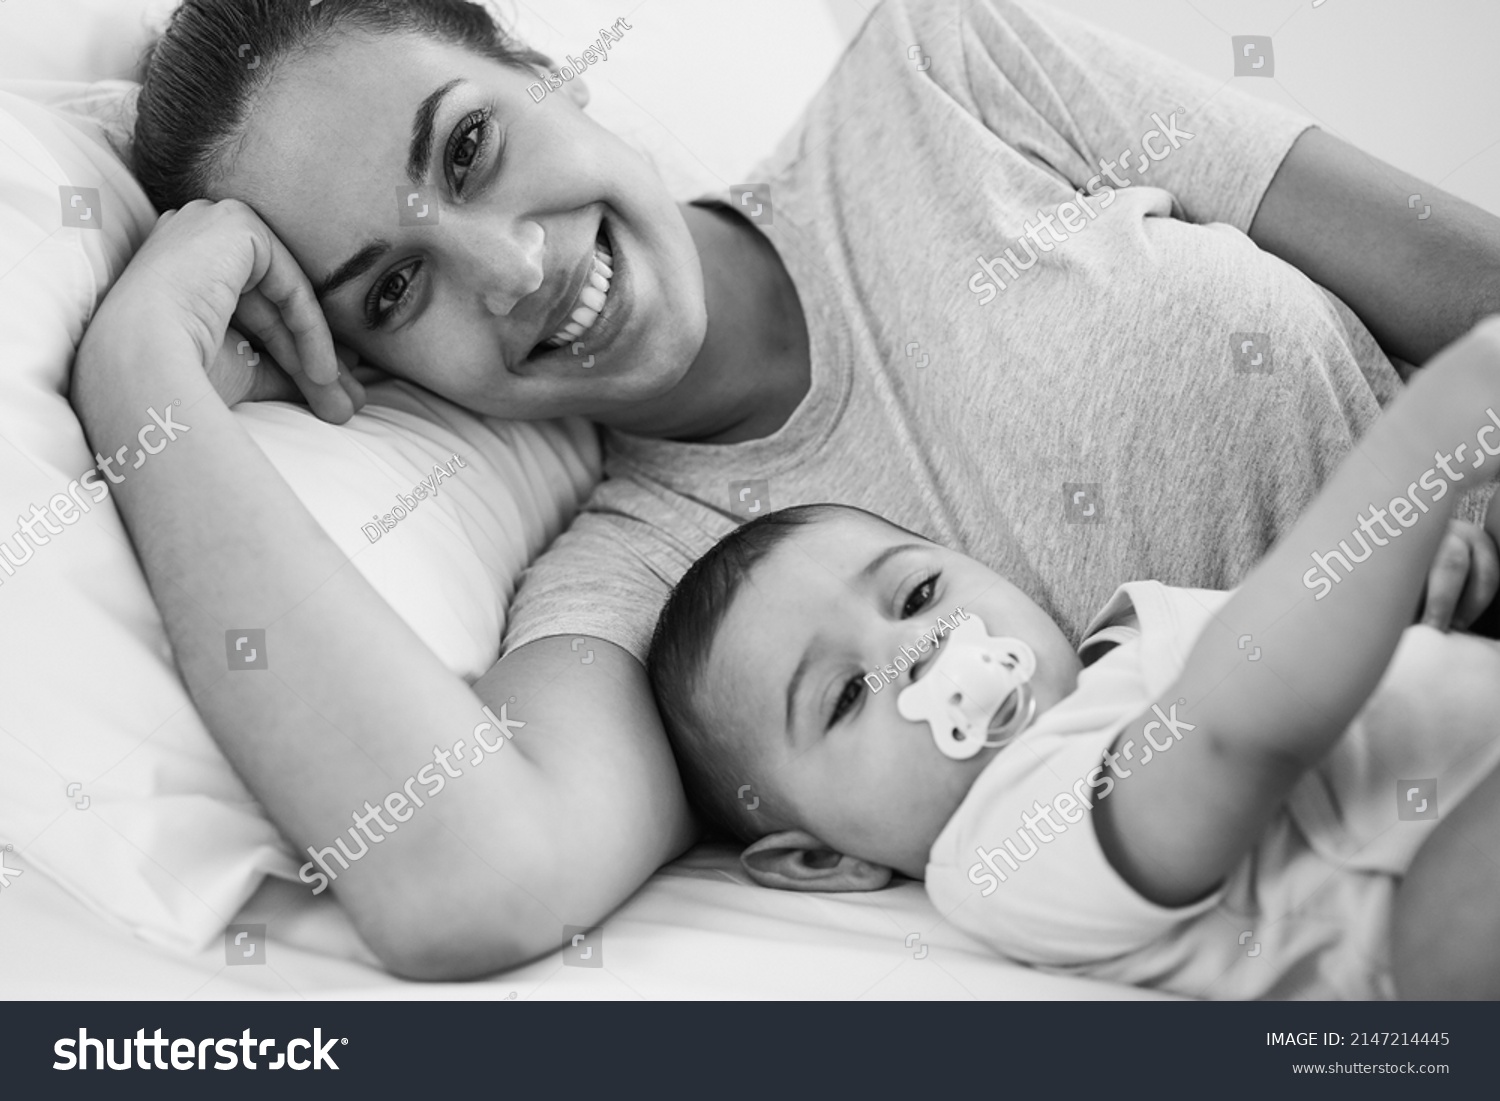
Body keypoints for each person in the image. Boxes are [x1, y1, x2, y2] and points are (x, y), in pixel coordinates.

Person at [71, 0, 1500, 980]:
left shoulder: (948, 71)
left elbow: (1478, 289)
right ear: (364, 360)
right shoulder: (634, 588)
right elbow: (472, 883)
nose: (514, 270)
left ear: (546, 72)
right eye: (392, 286)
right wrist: (145, 381)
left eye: (469, 148)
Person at [644, 318, 1500, 999]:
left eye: (917, 596)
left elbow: (1320, 652)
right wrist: (1427, 438)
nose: (913, 651)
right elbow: (1233, 739)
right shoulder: (997, 851)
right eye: (840, 698)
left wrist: (1410, 576)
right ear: (822, 858)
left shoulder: (1134, 637)